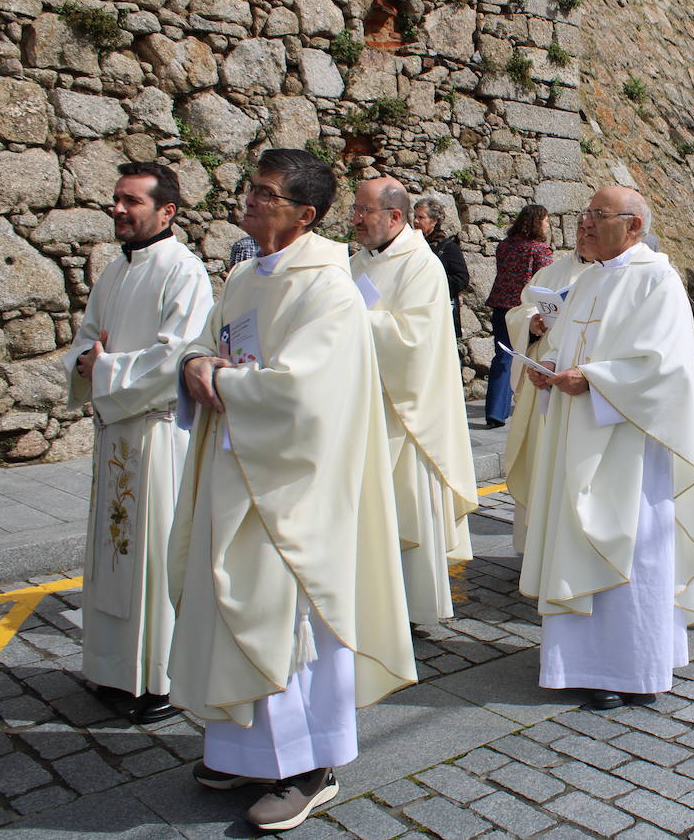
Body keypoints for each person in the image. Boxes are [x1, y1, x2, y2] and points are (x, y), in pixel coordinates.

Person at [168, 149, 415, 831]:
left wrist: (219, 382)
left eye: (266, 193)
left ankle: (309, 766)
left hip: (294, 487)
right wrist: (194, 361)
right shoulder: (246, 275)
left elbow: (306, 394)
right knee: (232, 605)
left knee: (291, 619)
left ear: (305, 214)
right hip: (235, 465)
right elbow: (207, 340)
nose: (250, 200)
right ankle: (242, 748)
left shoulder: (327, 288)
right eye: (251, 187)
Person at [519, 186, 694, 711]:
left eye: (597, 216)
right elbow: (567, 345)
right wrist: (549, 371)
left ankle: (631, 666)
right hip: (578, 434)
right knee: (577, 536)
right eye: (585, 214)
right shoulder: (586, 281)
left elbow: (666, 368)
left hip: (631, 444)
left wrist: (594, 379)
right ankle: (579, 661)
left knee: (634, 546)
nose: (584, 223)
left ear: (632, 226)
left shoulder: (658, 281)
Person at [64, 162, 213, 726]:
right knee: (112, 557)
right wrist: (85, 362)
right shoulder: (113, 272)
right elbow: (86, 341)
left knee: (150, 554)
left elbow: (177, 355)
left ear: (166, 210)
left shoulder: (185, 272)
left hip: (154, 436)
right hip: (116, 433)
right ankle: (109, 668)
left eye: (132, 201)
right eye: (117, 200)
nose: (120, 210)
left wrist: (103, 368)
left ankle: (158, 682)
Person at [350, 178, 478, 627]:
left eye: (364, 210)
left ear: (395, 217)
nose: (355, 219)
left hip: (406, 417)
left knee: (404, 510)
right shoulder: (355, 263)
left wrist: (350, 320)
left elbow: (415, 341)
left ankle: (409, 611)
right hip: (361, 410)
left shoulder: (421, 265)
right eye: (355, 209)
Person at [504, 224, 594, 552]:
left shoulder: (607, 277)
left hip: (576, 384)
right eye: (580, 228)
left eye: (591, 229)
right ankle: (532, 550)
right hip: (540, 376)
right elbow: (520, 309)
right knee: (538, 460)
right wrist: (532, 322)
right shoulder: (551, 271)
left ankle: (562, 551)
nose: (584, 234)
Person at [484, 204, 554, 428]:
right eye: (546, 221)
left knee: (502, 357)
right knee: (526, 357)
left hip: (500, 305)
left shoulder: (505, 246)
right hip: (524, 311)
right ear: (537, 222)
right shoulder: (540, 250)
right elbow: (546, 279)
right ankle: (521, 406)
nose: (548, 225)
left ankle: (495, 410)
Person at [413, 194, 469, 334]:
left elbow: (461, 279)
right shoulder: (410, 246)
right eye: (415, 216)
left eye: (421, 217)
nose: (415, 221)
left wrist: (433, 284)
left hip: (439, 312)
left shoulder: (448, 247)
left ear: (434, 221)